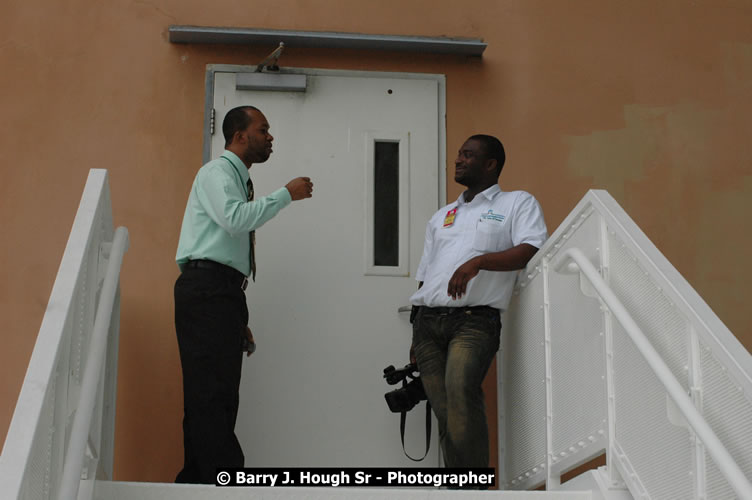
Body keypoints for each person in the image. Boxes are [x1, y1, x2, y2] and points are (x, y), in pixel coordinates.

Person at [174, 105, 313, 483]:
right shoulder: (217, 172)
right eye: (263, 129)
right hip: (208, 290)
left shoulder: (236, 177)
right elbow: (234, 219)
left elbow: (230, 248)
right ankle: (222, 479)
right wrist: (285, 195)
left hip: (220, 293)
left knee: (215, 391)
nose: (270, 137)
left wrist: (239, 317)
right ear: (239, 135)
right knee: (211, 391)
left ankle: (198, 480)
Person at [409, 134, 547, 471]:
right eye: (459, 153)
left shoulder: (516, 203)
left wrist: (479, 262)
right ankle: (456, 485)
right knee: (444, 411)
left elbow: (531, 247)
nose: (458, 159)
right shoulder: (442, 216)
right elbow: (425, 274)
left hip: (474, 321)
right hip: (427, 324)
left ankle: (474, 487)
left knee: (460, 396)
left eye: (468, 155)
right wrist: (413, 332)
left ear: (491, 164)